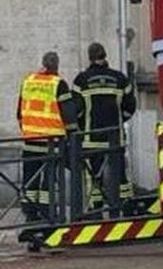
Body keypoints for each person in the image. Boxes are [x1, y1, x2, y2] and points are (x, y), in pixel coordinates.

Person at [74, 43, 137, 216]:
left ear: (89, 57)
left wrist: (81, 126)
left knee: (94, 176)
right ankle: (123, 208)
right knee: (120, 175)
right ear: (105, 55)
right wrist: (119, 120)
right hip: (115, 137)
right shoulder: (120, 78)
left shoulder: (81, 80)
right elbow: (130, 106)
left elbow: (76, 110)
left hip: (91, 137)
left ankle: (96, 210)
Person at [15, 52, 78, 222]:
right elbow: (69, 115)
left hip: (30, 141)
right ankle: (48, 213)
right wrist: (72, 136)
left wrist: (28, 130)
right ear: (57, 65)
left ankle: (30, 214)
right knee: (48, 181)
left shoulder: (28, 82)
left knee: (30, 179)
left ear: (42, 64)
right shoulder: (59, 84)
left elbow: (19, 113)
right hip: (51, 143)